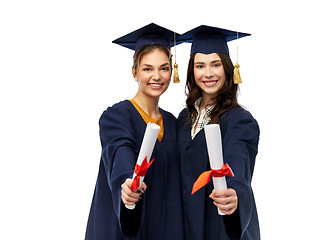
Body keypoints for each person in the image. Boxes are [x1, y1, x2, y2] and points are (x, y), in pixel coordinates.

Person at [85, 23, 184, 240]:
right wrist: (127, 182)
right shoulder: (117, 116)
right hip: (127, 228)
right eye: (147, 68)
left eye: (164, 68)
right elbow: (120, 151)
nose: (156, 76)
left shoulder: (174, 123)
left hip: (164, 228)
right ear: (134, 72)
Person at [177, 25, 261, 240]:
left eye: (216, 65)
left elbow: (238, 159)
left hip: (219, 222)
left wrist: (234, 191)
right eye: (200, 66)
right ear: (191, 71)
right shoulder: (183, 118)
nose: (208, 73)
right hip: (187, 223)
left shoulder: (239, 120)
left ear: (228, 68)